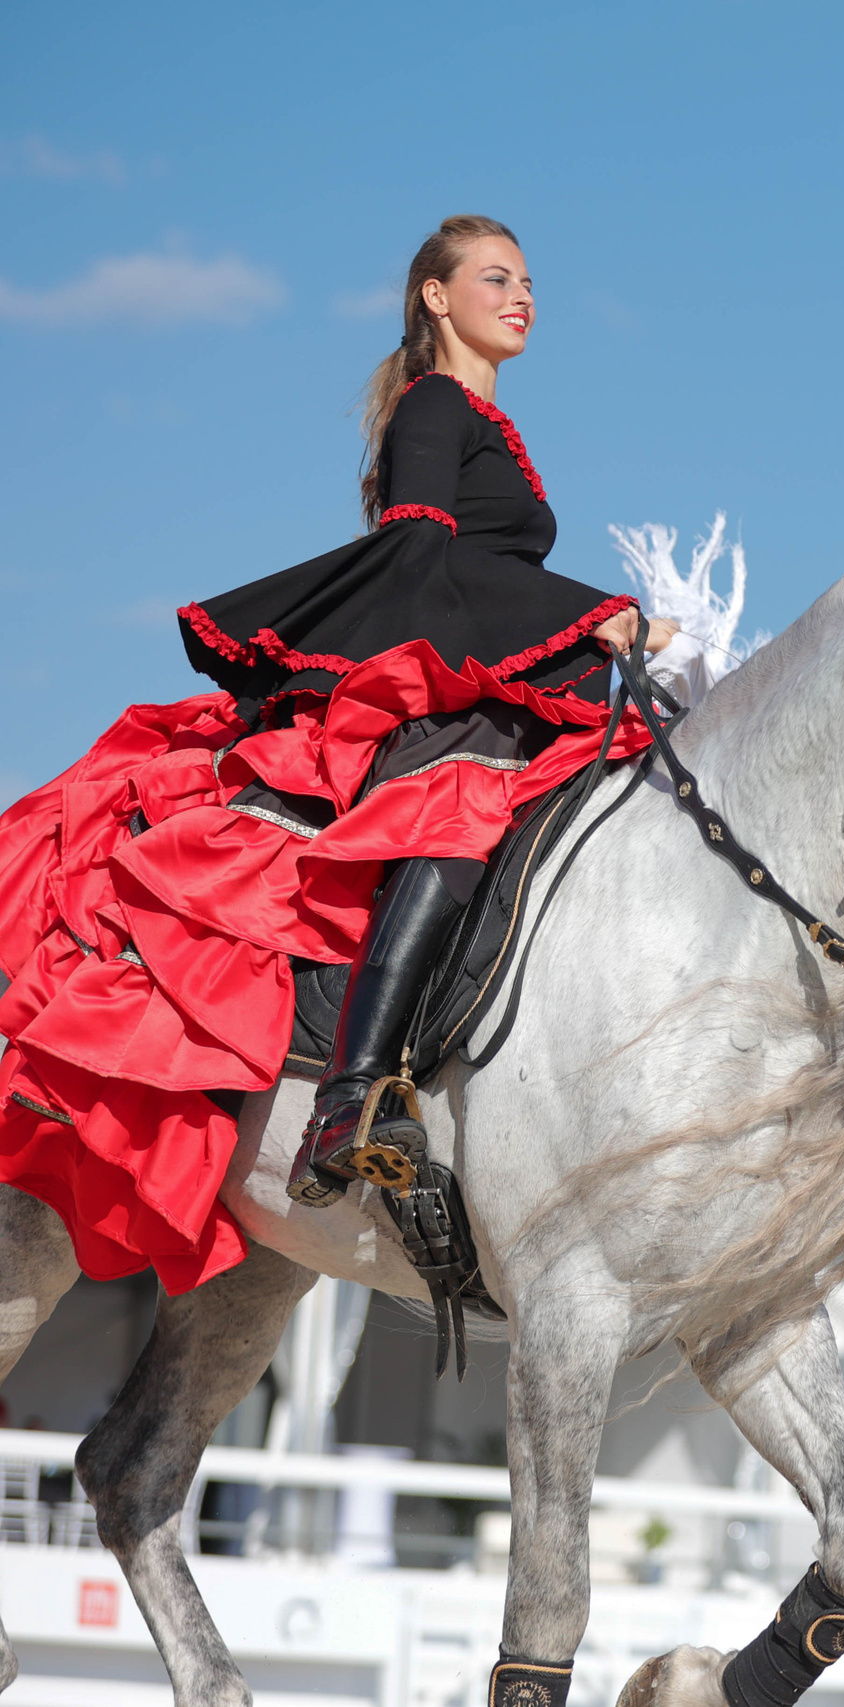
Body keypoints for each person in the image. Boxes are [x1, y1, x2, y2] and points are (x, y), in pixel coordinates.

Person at [0, 216, 680, 1287]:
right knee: (453, 824)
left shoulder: (486, 421)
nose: (523, 296)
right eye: (495, 278)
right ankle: (352, 1095)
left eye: (530, 280)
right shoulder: (434, 405)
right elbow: (417, 546)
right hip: (441, 680)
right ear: (433, 299)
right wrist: (586, 611)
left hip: (482, 665)